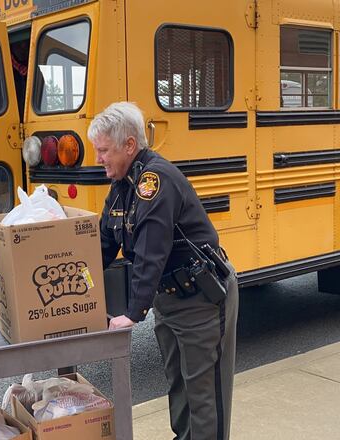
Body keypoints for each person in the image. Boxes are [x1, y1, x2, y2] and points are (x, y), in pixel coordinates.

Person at [89, 102, 239, 440]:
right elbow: (102, 245)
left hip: (201, 299)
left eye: (103, 150)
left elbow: (150, 252)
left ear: (129, 145)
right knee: (180, 388)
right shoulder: (121, 187)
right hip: (169, 301)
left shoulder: (155, 181)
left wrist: (132, 313)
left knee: (205, 396)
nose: (98, 158)